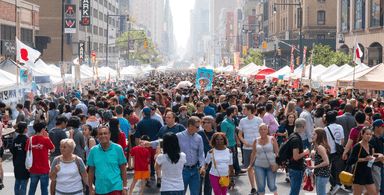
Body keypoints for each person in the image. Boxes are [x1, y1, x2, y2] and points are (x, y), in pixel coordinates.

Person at [142, 116, 206, 195]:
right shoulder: (179, 136)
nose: (199, 129)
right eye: (197, 127)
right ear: (190, 126)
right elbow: (166, 140)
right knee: (181, 192)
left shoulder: (199, 138)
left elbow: (201, 154)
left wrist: (202, 166)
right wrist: (150, 143)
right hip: (183, 170)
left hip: (195, 170)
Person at [87, 126, 128, 195]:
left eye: (105, 133)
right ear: (97, 136)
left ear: (109, 134)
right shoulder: (93, 151)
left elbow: (123, 169)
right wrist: (90, 188)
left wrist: (125, 187)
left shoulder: (118, 148)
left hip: (116, 187)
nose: (103, 136)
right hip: (100, 188)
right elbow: (91, 170)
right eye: (100, 134)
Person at [238, 104, 263, 194]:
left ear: (249, 110)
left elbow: (263, 132)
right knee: (249, 168)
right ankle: (253, 188)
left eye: (244, 109)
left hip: (257, 148)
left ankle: (259, 188)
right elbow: (239, 134)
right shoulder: (242, 121)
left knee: (256, 168)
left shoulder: (258, 120)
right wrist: (244, 142)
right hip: (246, 148)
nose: (243, 111)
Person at [247, 124, 279, 195]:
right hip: (259, 166)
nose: (263, 131)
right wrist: (250, 165)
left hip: (271, 166)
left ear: (267, 131)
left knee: (271, 185)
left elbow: (277, 152)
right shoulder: (256, 140)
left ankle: (275, 193)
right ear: (259, 131)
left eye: (265, 129)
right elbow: (253, 153)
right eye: (261, 129)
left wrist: (280, 163)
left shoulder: (272, 139)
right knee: (261, 186)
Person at [25, 122, 55, 195]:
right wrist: (48, 138)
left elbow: (27, 152)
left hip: (33, 168)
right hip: (44, 169)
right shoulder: (46, 140)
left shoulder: (30, 139)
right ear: (42, 129)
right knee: (44, 189)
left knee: (32, 189)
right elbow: (53, 149)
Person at [347, 127, 378, 195]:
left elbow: (370, 160)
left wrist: (377, 159)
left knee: (374, 193)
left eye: (370, 134)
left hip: (368, 173)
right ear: (362, 134)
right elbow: (350, 160)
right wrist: (364, 159)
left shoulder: (370, 146)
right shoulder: (358, 146)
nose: (369, 136)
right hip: (359, 173)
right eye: (367, 134)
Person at [324, 111, 345, 195]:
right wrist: (340, 147)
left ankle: (333, 184)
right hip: (338, 151)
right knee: (336, 169)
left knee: (326, 168)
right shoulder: (340, 127)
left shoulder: (326, 129)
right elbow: (342, 140)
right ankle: (336, 184)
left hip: (329, 151)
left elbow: (325, 141)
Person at [220, 107, 245, 175]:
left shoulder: (232, 120)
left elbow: (234, 131)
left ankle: (234, 171)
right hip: (228, 145)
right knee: (228, 160)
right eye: (234, 111)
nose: (236, 113)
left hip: (233, 143)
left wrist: (237, 140)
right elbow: (223, 135)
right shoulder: (224, 123)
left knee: (234, 159)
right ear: (231, 113)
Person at [288, 118, 309, 195]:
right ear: (304, 127)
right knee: (294, 191)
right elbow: (296, 156)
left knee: (294, 190)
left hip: (292, 167)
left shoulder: (293, 135)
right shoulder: (297, 139)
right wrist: (305, 152)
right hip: (296, 169)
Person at [197, 116, 217, 195]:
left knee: (208, 185)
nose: (202, 124)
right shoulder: (199, 133)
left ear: (210, 124)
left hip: (211, 162)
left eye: (204, 122)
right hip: (200, 161)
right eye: (202, 122)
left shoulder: (216, 134)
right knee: (198, 184)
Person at [308, 128, 331, 195]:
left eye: (314, 134)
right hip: (321, 174)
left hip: (322, 175)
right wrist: (313, 156)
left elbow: (326, 162)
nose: (312, 136)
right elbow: (319, 160)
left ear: (319, 136)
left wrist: (314, 167)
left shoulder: (320, 147)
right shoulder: (319, 146)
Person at [10, 122, 30, 195]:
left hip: (16, 163)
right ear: (25, 129)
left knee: (17, 181)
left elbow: (12, 150)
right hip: (25, 164)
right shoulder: (27, 140)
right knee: (24, 183)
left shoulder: (15, 139)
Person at [368, 119, 384, 194]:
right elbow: (371, 155)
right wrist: (380, 158)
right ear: (376, 127)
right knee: (376, 190)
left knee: (373, 190)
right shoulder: (372, 139)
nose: (383, 129)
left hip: (378, 166)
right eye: (382, 127)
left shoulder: (381, 139)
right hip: (373, 166)